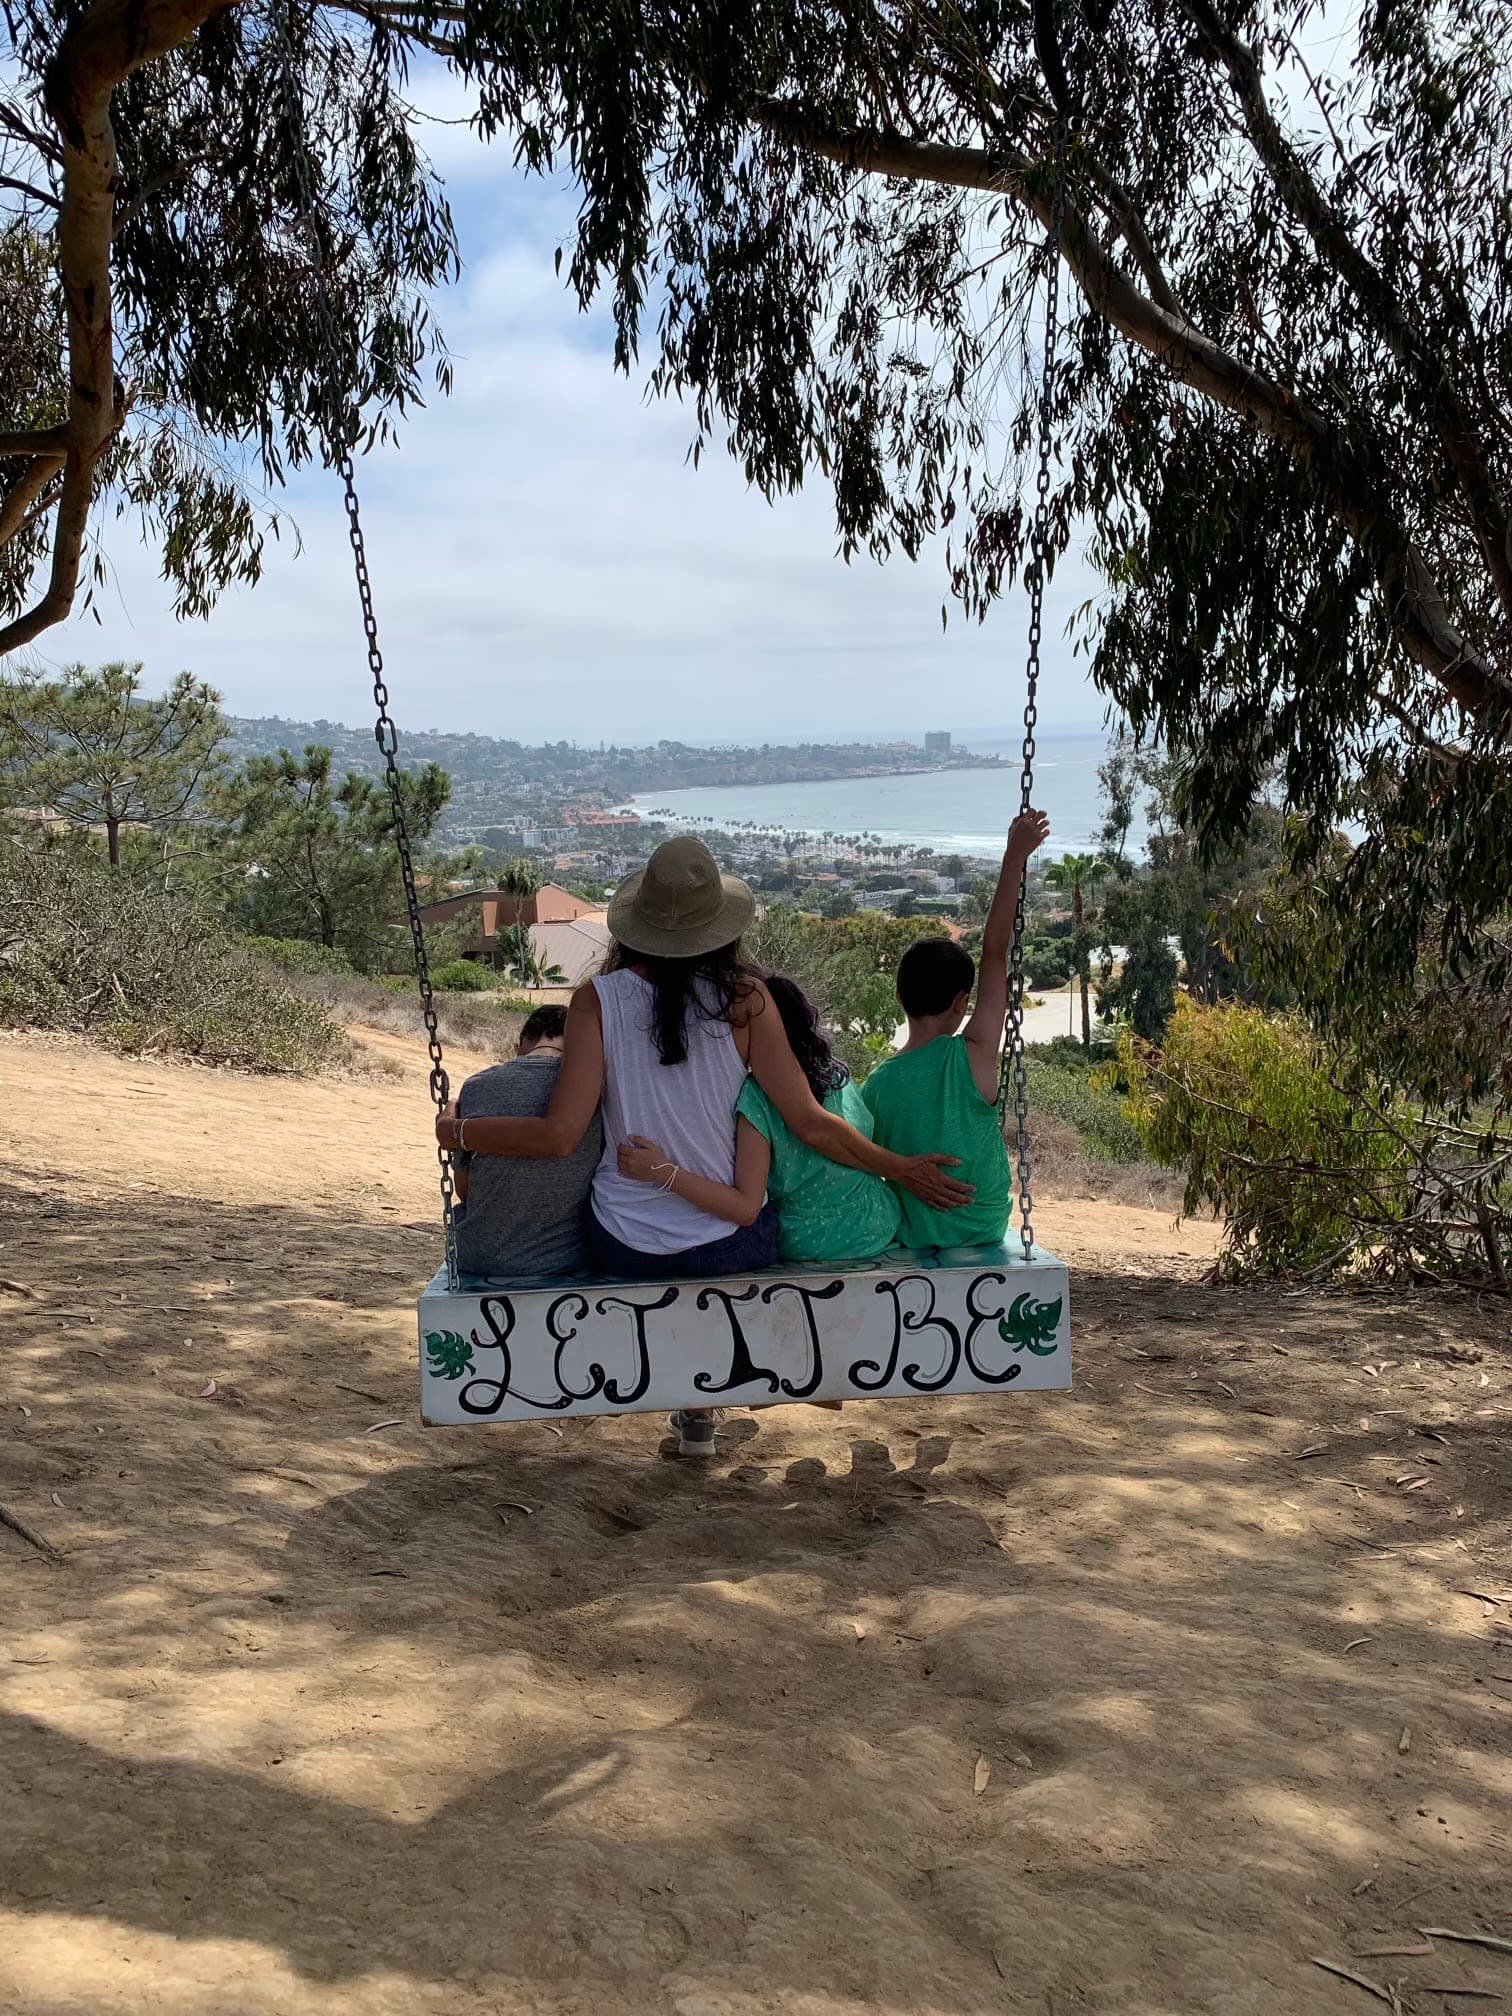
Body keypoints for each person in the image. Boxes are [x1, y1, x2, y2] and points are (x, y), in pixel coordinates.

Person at [436, 835, 973, 1454]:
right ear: (719, 927)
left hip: (624, 1245)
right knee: (756, 1217)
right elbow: (808, 1121)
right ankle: (747, 1385)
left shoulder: (596, 1001)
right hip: (728, 1246)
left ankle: (695, 1412)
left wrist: (463, 1132)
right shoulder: (746, 1000)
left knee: (633, 1221)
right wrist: (897, 1168)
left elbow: (559, 1136)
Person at [862, 809, 1050, 1251]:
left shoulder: (877, 1085)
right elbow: (994, 953)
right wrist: (1013, 858)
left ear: (900, 998)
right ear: (962, 1002)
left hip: (913, 1234)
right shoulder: (973, 1054)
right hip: (982, 1224)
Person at [616, 973, 902, 1265]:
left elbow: (746, 1206)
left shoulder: (756, 1098)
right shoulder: (838, 1076)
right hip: (875, 1221)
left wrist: (663, 1172)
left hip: (807, 1238)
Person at [452, 1004, 602, 1280]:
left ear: (519, 1047)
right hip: (564, 1259)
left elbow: (463, 1188)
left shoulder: (476, 1086)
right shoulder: (595, 1092)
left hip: (478, 1257)